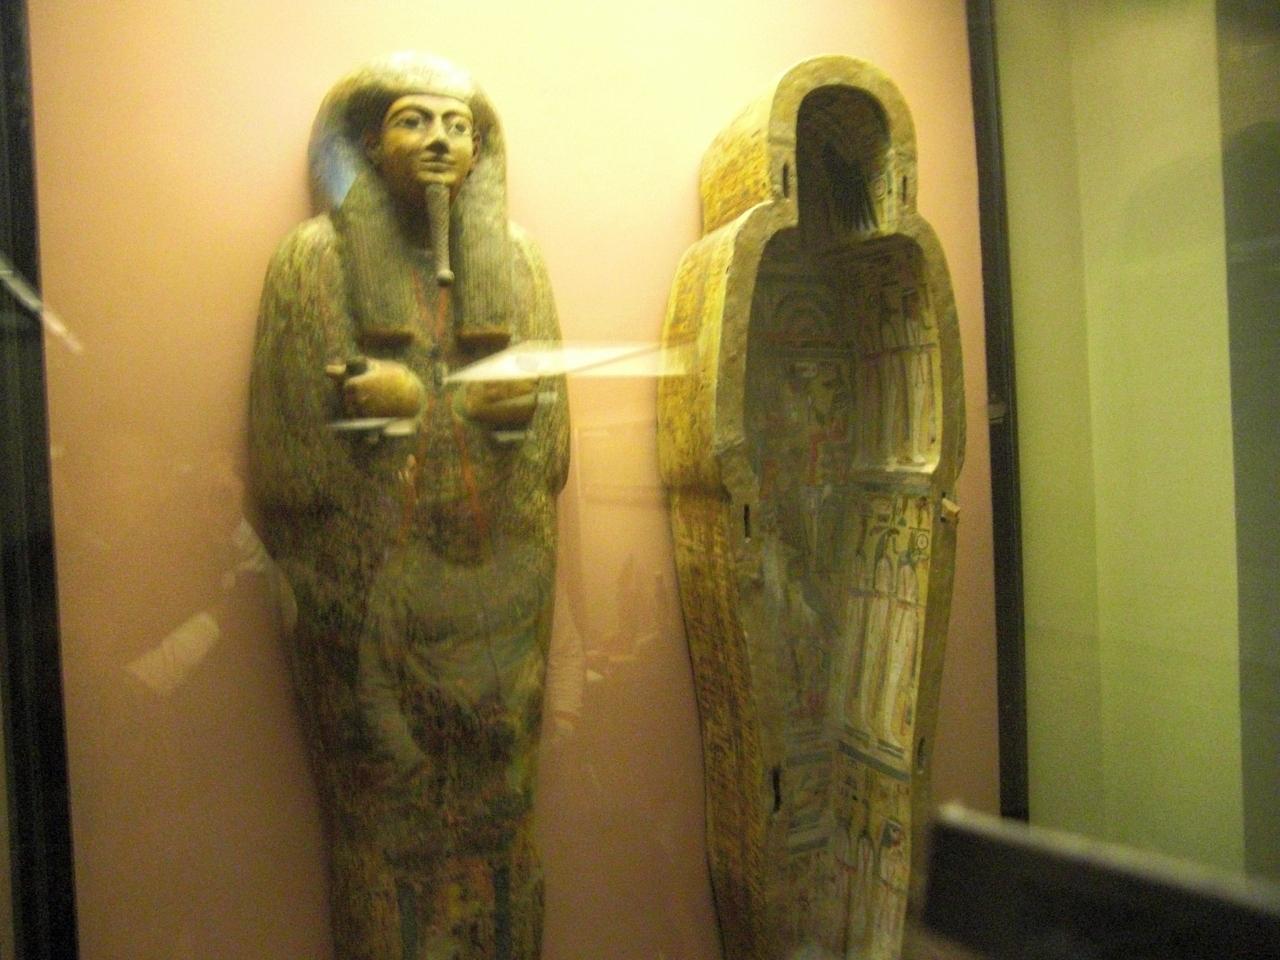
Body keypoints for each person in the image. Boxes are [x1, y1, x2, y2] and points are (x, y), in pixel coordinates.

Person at [249, 53, 568, 960]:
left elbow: (551, 456)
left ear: (481, 151)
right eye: (415, 121)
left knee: (501, 809)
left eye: (459, 127)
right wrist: (387, 407)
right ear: (367, 143)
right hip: (373, 598)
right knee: (387, 806)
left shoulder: (519, 263)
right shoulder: (313, 261)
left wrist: (511, 409)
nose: (439, 142)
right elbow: (287, 471)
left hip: (494, 601)